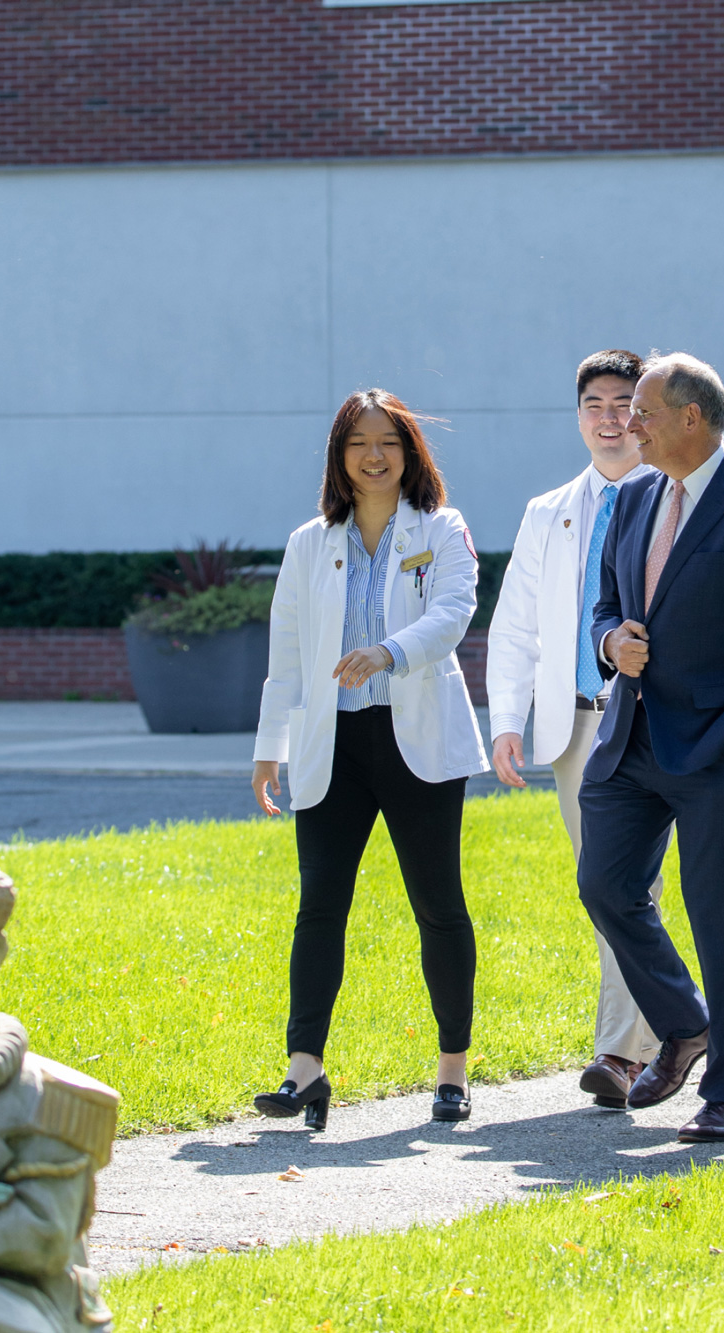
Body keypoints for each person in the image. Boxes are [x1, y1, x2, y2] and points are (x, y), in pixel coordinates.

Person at [575, 353, 724, 1144]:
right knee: (604, 885)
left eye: (640, 411)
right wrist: (611, 640)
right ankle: (686, 1023)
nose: (624, 424)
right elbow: (605, 599)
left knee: (719, 922)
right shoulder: (633, 494)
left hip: (712, 753)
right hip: (628, 739)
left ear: (690, 419)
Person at [251, 389, 489, 1129]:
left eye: (388, 440)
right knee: (319, 904)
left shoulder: (440, 529)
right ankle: (303, 1069)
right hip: (335, 745)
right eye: (358, 442)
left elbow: (455, 612)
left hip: (414, 738)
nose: (374, 455)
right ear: (339, 456)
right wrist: (269, 749)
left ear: (410, 450)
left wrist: (390, 651)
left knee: (437, 904)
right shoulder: (308, 542)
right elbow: (285, 654)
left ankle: (452, 1068)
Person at [487, 349, 666, 1110]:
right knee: (609, 888)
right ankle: (665, 1032)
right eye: (594, 403)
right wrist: (504, 720)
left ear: (647, 412)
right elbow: (516, 623)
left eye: (624, 402)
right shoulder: (549, 511)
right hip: (578, 727)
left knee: (627, 886)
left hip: (662, 722)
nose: (608, 417)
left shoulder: (676, 500)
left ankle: (624, 1051)